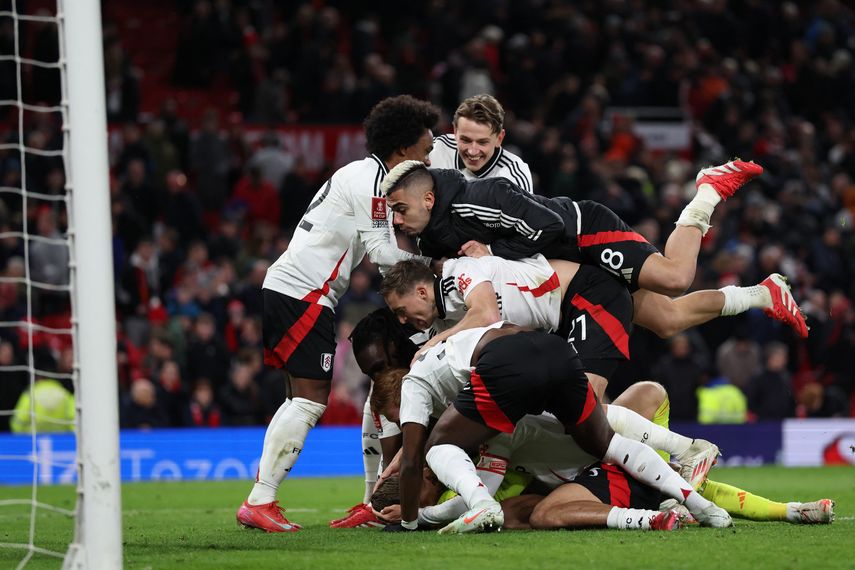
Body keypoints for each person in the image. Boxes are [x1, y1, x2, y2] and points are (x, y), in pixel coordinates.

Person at [235, 95, 440, 532]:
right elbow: (385, 254)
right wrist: (435, 269)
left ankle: (265, 498)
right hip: (303, 293)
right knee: (308, 401)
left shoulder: (362, 176)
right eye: (424, 148)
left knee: (300, 399)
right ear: (402, 148)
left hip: (296, 290)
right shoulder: (370, 179)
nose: (428, 156)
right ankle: (260, 499)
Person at [381, 160, 809, 339]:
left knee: (675, 277)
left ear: (429, 199)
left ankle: (709, 189)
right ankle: (763, 294)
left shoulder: (478, 196)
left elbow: (546, 224)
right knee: (668, 321)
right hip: (563, 272)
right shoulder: (431, 238)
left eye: (400, 209)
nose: (396, 221)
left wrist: (491, 248)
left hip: (581, 233)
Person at [377, 322, 732, 533]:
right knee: (608, 442)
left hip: (506, 366)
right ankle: (701, 505)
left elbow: (412, 461)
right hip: (554, 348)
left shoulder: (417, 387)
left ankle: (482, 506)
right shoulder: (471, 400)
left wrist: (409, 522)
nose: (406, 422)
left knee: (437, 446)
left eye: (398, 417)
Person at [429, 94, 533, 193]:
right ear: (455, 132)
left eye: (482, 142)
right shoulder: (433, 150)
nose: (472, 151)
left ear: (499, 138)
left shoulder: (514, 176)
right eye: (466, 140)